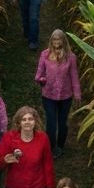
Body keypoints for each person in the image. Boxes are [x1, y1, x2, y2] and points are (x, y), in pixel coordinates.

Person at [35, 29, 81, 159]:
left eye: (59, 40)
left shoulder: (71, 57)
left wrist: (77, 93)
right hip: (48, 95)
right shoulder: (45, 55)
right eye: (54, 40)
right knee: (51, 123)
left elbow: (74, 76)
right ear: (51, 41)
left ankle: (60, 146)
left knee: (62, 123)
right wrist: (42, 80)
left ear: (63, 41)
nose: (56, 42)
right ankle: (51, 147)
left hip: (65, 96)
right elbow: (39, 74)